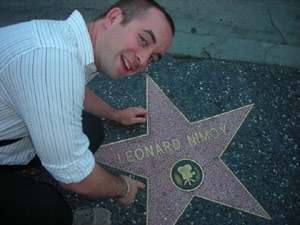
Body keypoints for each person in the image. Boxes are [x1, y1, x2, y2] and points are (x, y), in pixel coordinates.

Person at [0, 0, 175, 224]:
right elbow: (76, 179)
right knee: (50, 211)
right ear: (113, 18)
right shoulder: (53, 61)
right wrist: (123, 187)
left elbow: (71, 88)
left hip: (10, 132)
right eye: (143, 40)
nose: (143, 60)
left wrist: (115, 114)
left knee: (91, 130)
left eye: (152, 57)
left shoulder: (67, 43)